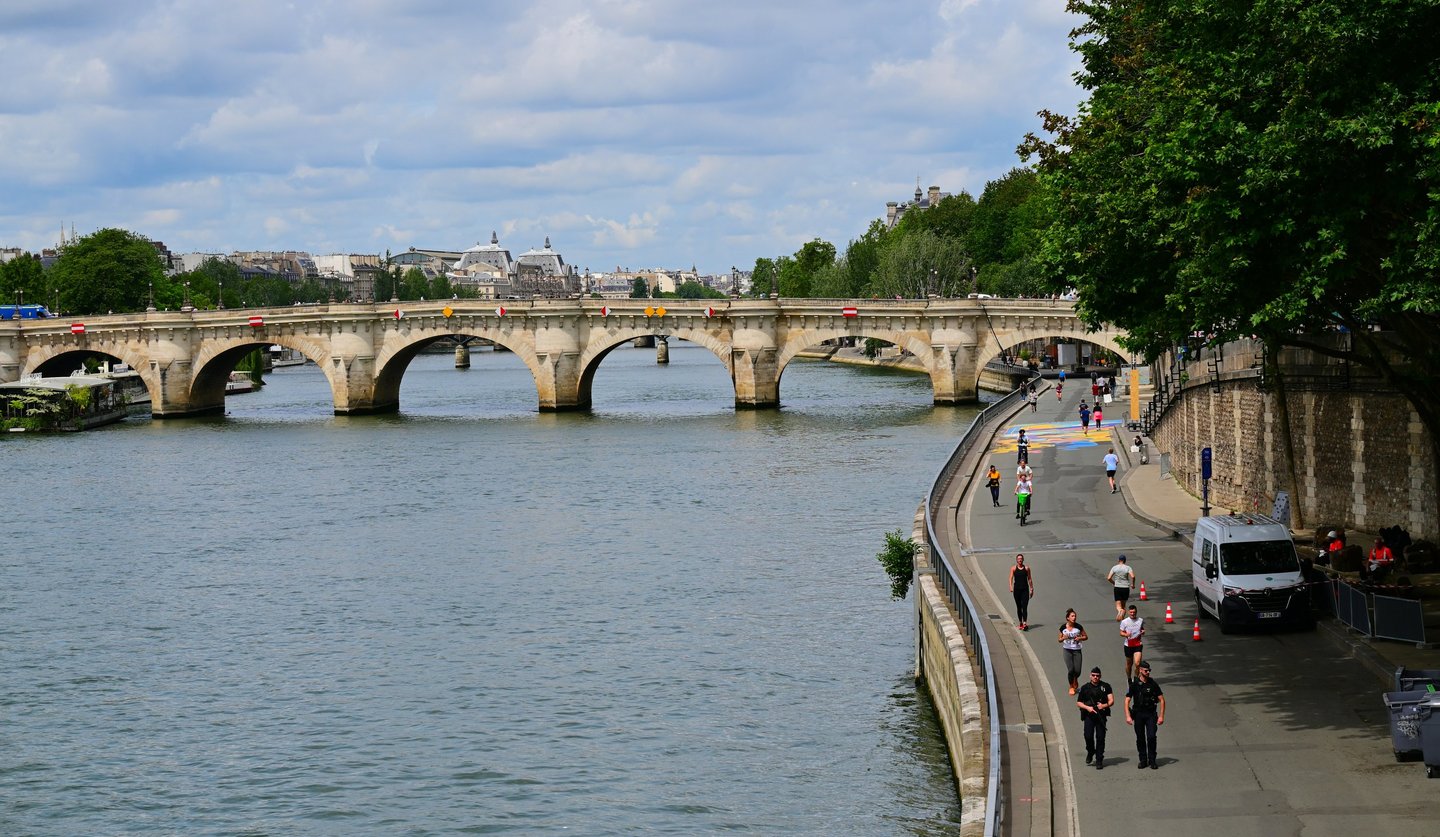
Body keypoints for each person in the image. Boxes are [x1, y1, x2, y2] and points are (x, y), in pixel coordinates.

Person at [1125, 660, 1166, 769]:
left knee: (1151, 737)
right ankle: (1143, 760)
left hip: (1150, 714)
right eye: (1146, 670)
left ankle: (1152, 760)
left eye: (1149, 670)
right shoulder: (1134, 684)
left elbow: (1161, 699)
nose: (1148, 672)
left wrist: (1161, 716)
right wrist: (1128, 716)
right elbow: (1127, 700)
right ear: (1140, 670)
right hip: (1138, 714)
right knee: (1140, 738)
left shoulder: (1153, 684)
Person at [1076, 666, 1115, 769]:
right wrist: (1087, 708)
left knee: (1100, 738)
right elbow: (1079, 702)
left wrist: (1103, 706)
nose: (1095, 677)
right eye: (1093, 675)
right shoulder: (1085, 688)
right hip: (1089, 716)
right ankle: (1090, 751)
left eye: (1097, 676)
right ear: (1090, 676)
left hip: (1101, 716)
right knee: (1088, 736)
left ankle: (1099, 760)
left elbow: (1111, 700)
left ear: (1100, 676)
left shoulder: (1106, 686)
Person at [1059, 608, 1088, 695]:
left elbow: (1086, 637)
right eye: (1072, 616)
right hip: (1067, 650)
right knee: (1071, 669)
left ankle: (1075, 679)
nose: (1074, 617)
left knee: (1078, 671)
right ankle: (1071, 686)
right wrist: (1063, 638)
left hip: (1077, 650)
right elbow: (1059, 640)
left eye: (1075, 616)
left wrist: (1080, 638)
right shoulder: (1063, 627)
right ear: (1068, 618)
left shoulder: (1079, 627)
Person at [1119, 605, 1145, 680]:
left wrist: (1143, 631)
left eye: (1134, 612)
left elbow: (1142, 629)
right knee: (1129, 664)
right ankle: (1129, 679)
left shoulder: (1140, 620)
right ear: (1128, 612)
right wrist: (1125, 634)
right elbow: (1121, 633)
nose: (1132, 614)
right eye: (1131, 612)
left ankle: (1136, 679)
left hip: (1138, 644)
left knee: (1137, 663)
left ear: (1136, 612)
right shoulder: (1124, 622)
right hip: (1128, 645)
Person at [1009, 553, 1034, 630]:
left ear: (1023, 560)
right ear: (1017, 560)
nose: (1020, 560)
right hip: (1016, 590)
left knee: (1025, 606)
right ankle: (1020, 622)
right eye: (1018, 558)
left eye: (1021, 558)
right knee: (1019, 607)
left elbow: (1029, 578)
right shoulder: (1013, 568)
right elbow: (1010, 578)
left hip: (1025, 590)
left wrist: (1031, 588)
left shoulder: (1027, 568)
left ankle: (1025, 623)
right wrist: (1010, 586)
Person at [1107, 555, 1136, 620]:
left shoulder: (1114, 567)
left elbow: (1109, 578)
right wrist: (1133, 584)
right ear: (1125, 561)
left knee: (1118, 606)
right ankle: (1122, 618)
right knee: (1123, 605)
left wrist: (1114, 583)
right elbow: (1133, 576)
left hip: (1117, 587)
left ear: (1118, 560)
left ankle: (1120, 611)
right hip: (1125, 588)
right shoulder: (1128, 567)